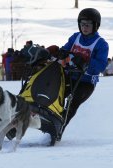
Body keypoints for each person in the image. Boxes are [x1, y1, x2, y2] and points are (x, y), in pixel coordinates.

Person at [47, 8, 109, 141]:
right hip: (69, 76)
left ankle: (58, 131)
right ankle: (47, 122)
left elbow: (101, 66)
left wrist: (85, 60)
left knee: (71, 104)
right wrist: (61, 52)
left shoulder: (101, 44)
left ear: (96, 26)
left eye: (88, 24)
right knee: (53, 96)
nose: (85, 27)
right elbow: (66, 48)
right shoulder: (75, 37)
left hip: (85, 82)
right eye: (82, 24)